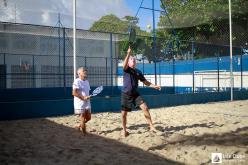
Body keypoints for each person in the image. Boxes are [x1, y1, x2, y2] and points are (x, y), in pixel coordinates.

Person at [121, 46, 161, 137]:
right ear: (129, 62)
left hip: (135, 94)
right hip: (126, 94)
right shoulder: (126, 69)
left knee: (145, 108)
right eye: (132, 60)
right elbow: (124, 65)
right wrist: (128, 54)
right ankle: (124, 130)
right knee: (124, 114)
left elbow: (145, 82)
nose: (134, 61)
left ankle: (151, 126)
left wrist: (155, 86)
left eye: (134, 60)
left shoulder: (138, 71)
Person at [72, 67, 91, 135]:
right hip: (80, 103)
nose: (85, 71)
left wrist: (89, 97)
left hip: (87, 102)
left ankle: (78, 126)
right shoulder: (77, 81)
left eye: (86, 70)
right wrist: (83, 98)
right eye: (84, 71)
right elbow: (74, 93)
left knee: (89, 118)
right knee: (82, 117)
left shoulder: (87, 81)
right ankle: (84, 134)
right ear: (79, 73)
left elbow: (86, 92)